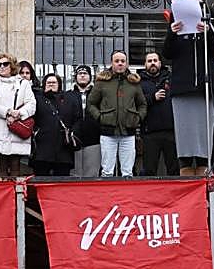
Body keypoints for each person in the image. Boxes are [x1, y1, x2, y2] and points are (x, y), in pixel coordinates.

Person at [162, 0, 214, 176]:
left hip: (205, 88)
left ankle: (203, 171)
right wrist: (172, 34)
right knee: (185, 136)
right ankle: (185, 171)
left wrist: (208, 32)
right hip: (183, 88)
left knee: (203, 135)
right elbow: (167, 53)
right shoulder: (176, 22)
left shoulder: (211, 21)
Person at [87, 50, 147, 178]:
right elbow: (91, 103)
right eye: (117, 61)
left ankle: (127, 197)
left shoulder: (134, 83)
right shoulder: (102, 82)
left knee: (128, 172)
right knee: (107, 171)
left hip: (129, 133)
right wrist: (100, 117)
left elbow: (142, 104)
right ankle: (106, 197)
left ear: (126, 64)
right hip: (108, 133)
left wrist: (138, 118)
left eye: (122, 61)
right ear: (112, 63)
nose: (120, 63)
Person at [0, 52, 36, 176]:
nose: (2, 67)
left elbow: (31, 104)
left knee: (16, 169)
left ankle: (15, 195)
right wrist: (7, 112)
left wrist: (19, 113)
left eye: (5, 64)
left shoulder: (23, 84)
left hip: (16, 130)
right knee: (1, 170)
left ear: (11, 66)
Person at [31, 73, 82, 176]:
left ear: (59, 84)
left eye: (54, 82)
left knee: (61, 182)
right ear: (44, 84)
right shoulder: (36, 99)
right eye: (48, 82)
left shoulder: (69, 99)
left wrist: (72, 133)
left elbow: (77, 119)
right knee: (41, 182)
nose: (51, 84)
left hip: (63, 149)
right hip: (42, 149)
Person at [138, 51, 177, 176]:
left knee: (174, 168)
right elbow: (136, 103)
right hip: (150, 132)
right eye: (149, 61)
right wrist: (152, 98)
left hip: (170, 131)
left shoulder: (171, 79)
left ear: (160, 63)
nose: (152, 63)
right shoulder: (139, 82)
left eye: (155, 60)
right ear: (145, 64)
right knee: (149, 169)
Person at [68, 65, 102, 178]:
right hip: (74, 140)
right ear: (75, 77)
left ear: (90, 77)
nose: (82, 75)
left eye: (85, 73)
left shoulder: (98, 94)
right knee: (75, 175)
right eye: (80, 73)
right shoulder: (68, 95)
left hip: (94, 138)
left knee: (92, 174)